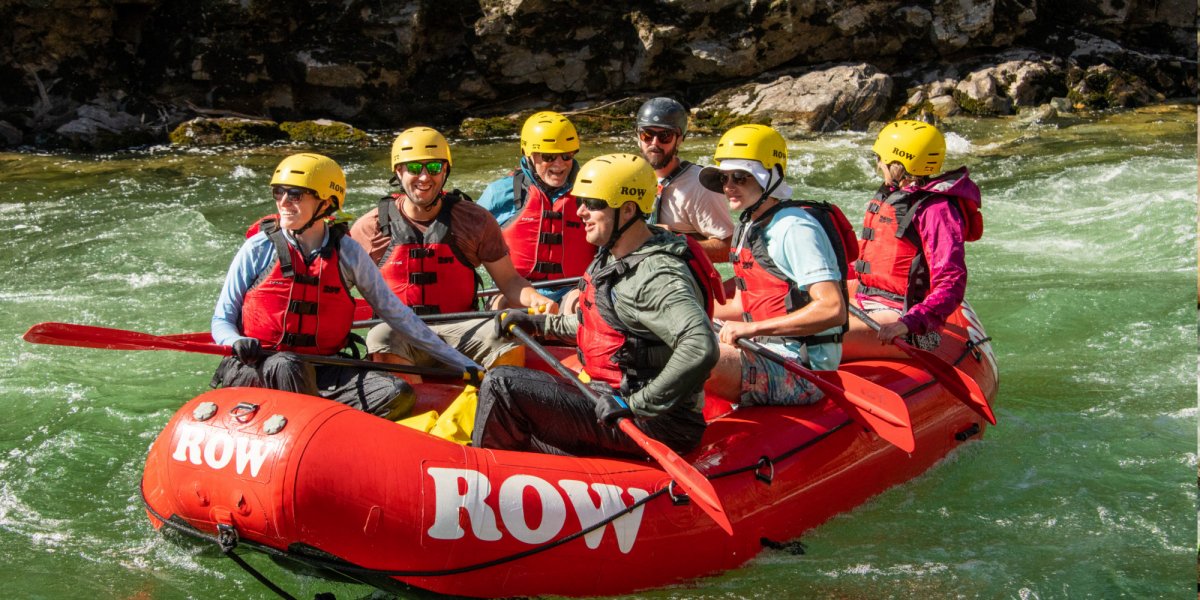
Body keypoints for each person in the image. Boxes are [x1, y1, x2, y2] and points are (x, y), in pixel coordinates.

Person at [472, 153, 722, 457]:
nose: (580, 212)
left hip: (654, 423)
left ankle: (484, 472)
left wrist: (634, 405)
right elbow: (601, 324)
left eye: (593, 204)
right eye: (581, 202)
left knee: (502, 385)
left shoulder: (657, 275)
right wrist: (538, 324)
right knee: (516, 412)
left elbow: (700, 346)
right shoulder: (616, 252)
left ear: (628, 209)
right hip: (613, 398)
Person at [210, 153, 483, 419]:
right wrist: (235, 341)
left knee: (395, 393)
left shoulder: (347, 253)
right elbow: (222, 320)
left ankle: (327, 425)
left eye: (295, 195)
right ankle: (310, 425)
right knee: (287, 365)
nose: (283, 202)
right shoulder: (258, 248)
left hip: (323, 369)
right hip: (258, 365)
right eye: (278, 192)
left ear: (326, 203)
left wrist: (465, 365)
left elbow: (400, 317)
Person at [349, 127, 556, 372]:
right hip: (400, 334)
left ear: (445, 170)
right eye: (414, 168)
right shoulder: (370, 228)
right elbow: (337, 289)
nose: (424, 177)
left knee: (506, 335)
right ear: (398, 171)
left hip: (462, 330)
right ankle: (409, 395)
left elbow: (510, 281)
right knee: (381, 336)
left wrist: (537, 300)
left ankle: (499, 391)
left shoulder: (474, 220)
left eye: (434, 167)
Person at [699, 125, 855, 407]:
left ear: (770, 176)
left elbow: (833, 309)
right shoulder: (750, 225)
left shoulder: (795, 228)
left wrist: (751, 329)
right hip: (761, 349)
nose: (729, 186)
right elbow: (745, 304)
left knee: (694, 355)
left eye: (740, 177)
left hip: (803, 370)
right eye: (724, 178)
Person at [842, 120, 983, 359]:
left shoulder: (936, 210)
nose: (878, 164)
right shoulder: (897, 195)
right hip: (869, 300)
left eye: (881, 159)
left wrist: (910, 323)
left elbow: (951, 281)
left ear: (898, 163)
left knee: (814, 337)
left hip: (905, 318)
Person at [477, 111, 594, 311]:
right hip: (514, 290)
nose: (559, 164)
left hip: (572, 289)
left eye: (566, 156)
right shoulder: (500, 193)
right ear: (528, 154)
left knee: (579, 305)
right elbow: (466, 240)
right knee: (503, 306)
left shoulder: (590, 191)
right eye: (549, 157)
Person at [634, 97, 735, 263]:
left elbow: (728, 249)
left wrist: (675, 243)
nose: (655, 143)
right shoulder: (629, 176)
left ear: (680, 139)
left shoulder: (700, 185)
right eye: (647, 135)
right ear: (638, 136)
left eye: (665, 136)